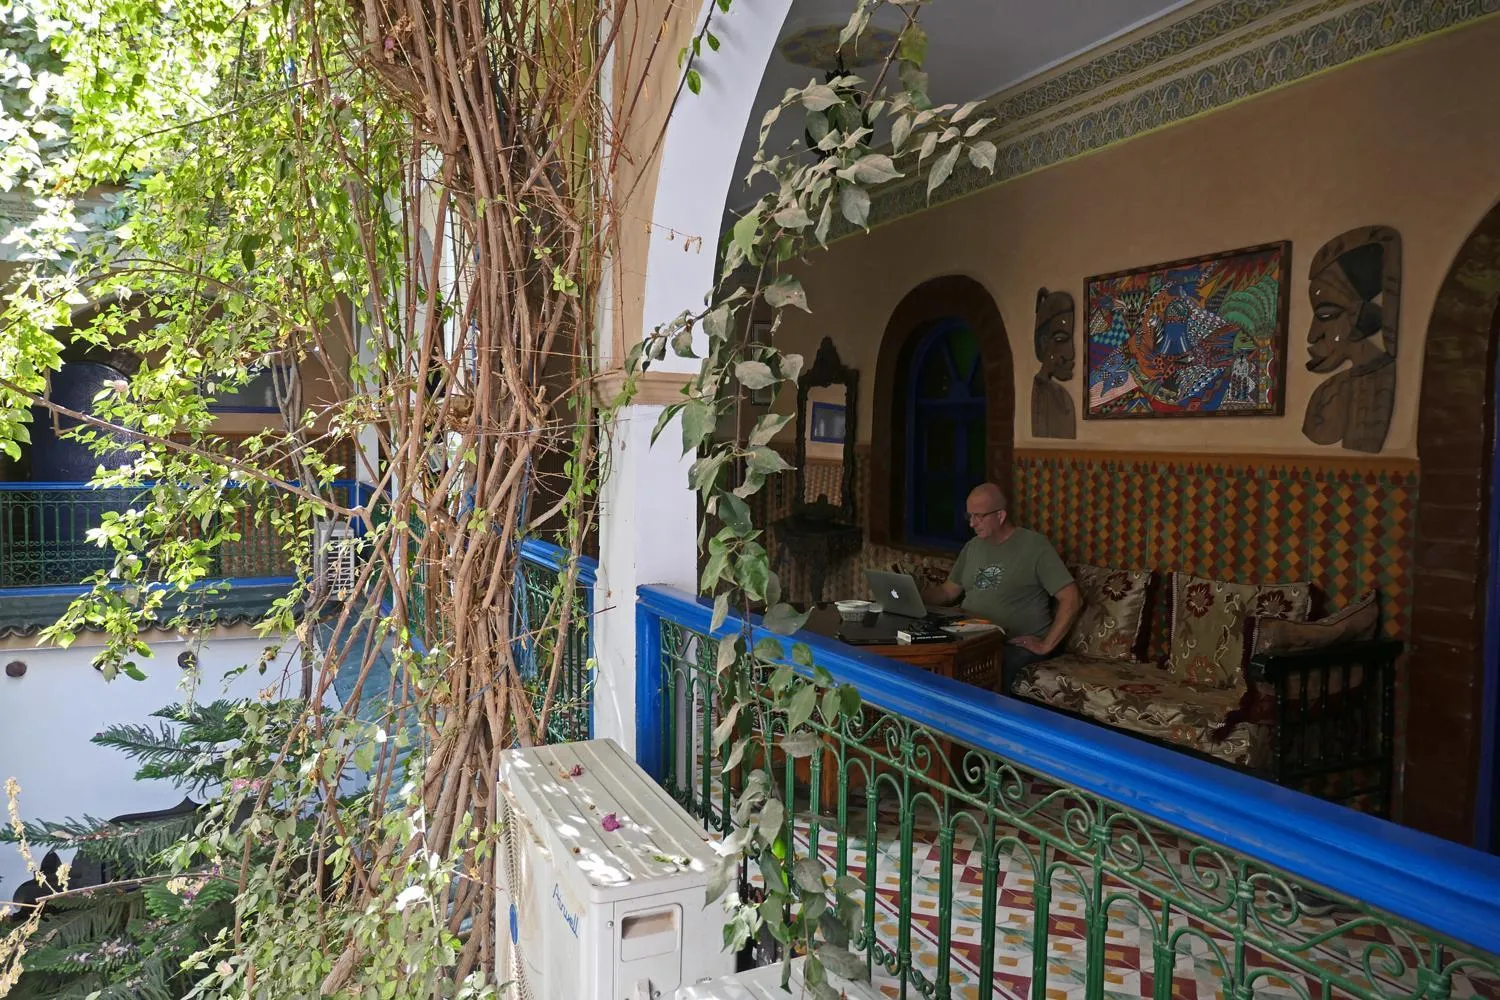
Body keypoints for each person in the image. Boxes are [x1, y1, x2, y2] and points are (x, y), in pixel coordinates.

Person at [922, 482, 1081, 692]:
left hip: (1014, 643)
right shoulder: (973, 546)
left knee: (980, 670)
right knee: (929, 655)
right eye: (969, 516)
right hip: (971, 636)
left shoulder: (1034, 546)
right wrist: (914, 598)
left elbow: (1072, 599)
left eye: (979, 516)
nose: (972, 523)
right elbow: (948, 592)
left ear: (1001, 515)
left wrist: (1046, 645)